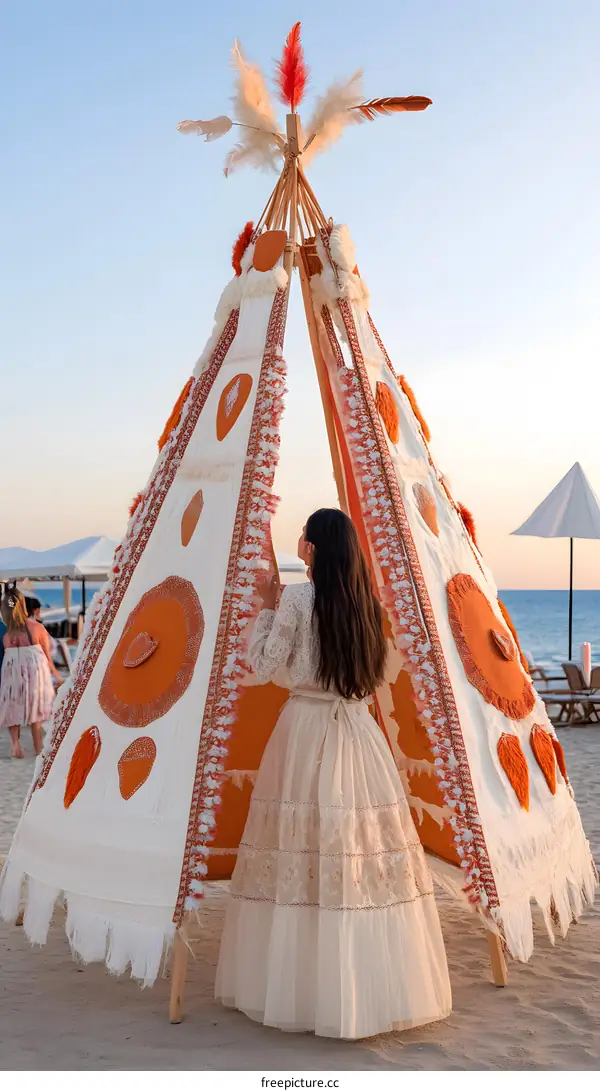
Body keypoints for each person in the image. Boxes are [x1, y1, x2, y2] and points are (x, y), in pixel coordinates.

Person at [215, 508, 452, 1039]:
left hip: (305, 731)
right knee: (357, 851)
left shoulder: (298, 598)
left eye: (303, 533)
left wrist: (265, 609)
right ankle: (362, 986)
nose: (298, 539)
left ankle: (300, 985)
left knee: (302, 851)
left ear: (314, 548)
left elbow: (264, 665)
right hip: (359, 735)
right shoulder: (364, 603)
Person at [0, 584, 61, 758]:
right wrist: (57, 677)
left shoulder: (7, 635)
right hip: (34, 670)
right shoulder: (36, 628)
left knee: (12, 706)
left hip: (12, 670)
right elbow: (48, 657)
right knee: (36, 708)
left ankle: (15, 745)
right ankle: (38, 747)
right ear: (23, 606)